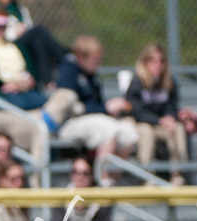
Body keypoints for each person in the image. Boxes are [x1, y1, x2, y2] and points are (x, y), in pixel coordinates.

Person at [57, 36, 138, 183]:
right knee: (109, 129)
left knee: (130, 133)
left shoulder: (92, 76)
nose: (98, 64)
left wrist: (110, 110)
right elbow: (75, 108)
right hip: (70, 123)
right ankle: (103, 180)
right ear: (81, 57)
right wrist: (106, 108)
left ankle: (113, 180)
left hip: (94, 119)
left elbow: (97, 105)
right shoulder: (68, 72)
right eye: (95, 60)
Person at [125, 44, 189, 186]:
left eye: (161, 61)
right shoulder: (137, 82)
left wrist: (170, 118)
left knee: (177, 128)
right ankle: (147, 177)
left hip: (161, 124)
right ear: (145, 62)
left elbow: (172, 106)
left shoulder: (169, 82)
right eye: (153, 61)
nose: (158, 65)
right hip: (142, 123)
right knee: (146, 132)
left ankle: (178, 175)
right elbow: (135, 110)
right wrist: (159, 120)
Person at [0, 9, 47, 110]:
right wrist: (6, 85)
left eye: (2, 26)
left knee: (44, 100)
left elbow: (31, 70)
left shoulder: (17, 46)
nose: (0, 29)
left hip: (24, 90)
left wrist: (22, 84)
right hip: (1, 93)